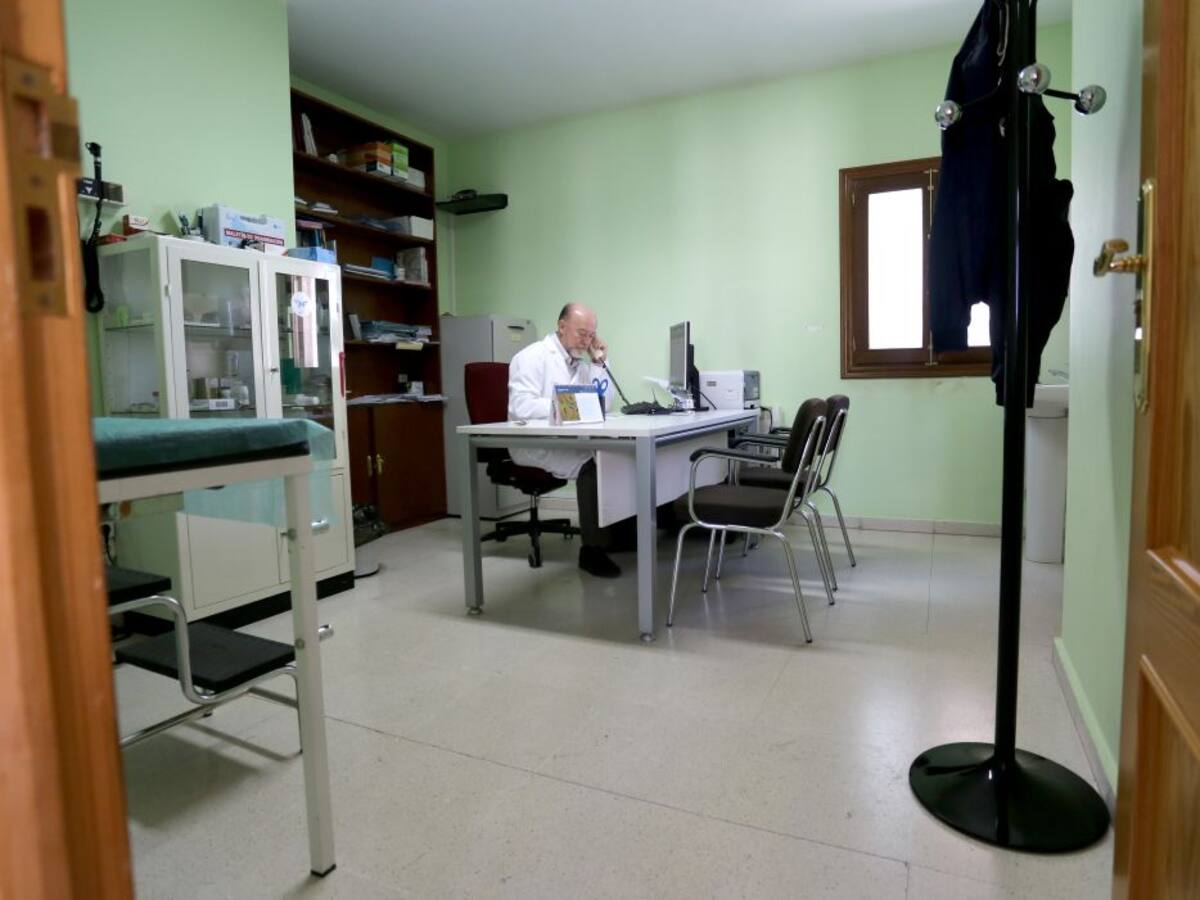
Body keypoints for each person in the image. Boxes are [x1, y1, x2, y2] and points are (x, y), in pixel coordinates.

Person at [508, 303, 622, 578]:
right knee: (591, 465)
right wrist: (569, 403)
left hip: (566, 439)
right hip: (533, 443)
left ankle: (618, 536)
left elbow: (604, 403)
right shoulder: (531, 357)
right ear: (561, 326)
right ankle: (591, 551)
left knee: (614, 457)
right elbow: (521, 406)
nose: (587, 341)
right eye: (582, 333)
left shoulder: (580, 363)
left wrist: (599, 363)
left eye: (591, 335)